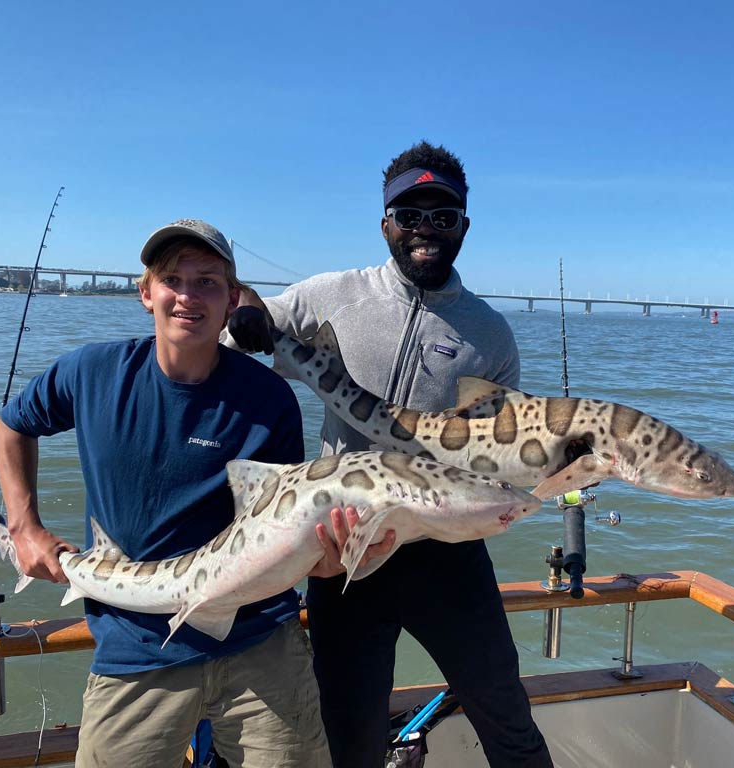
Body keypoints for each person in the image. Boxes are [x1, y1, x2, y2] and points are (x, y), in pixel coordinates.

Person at [225, 142, 555, 767]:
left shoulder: (491, 334)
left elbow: (498, 447)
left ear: (464, 225)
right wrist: (243, 326)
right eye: (409, 215)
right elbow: (230, 323)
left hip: (447, 551)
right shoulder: (329, 295)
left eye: (442, 215)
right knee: (350, 736)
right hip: (345, 550)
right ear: (385, 224)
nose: (425, 229)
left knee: (507, 716)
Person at [0, 219, 334, 768]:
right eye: (173, 279)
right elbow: (13, 426)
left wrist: (325, 556)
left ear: (231, 301)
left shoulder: (269, 397)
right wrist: (23, 525)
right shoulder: (91, 372)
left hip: (259, 640)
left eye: (208, 283)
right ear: (145, 291)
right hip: (136, 642)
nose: (188, 296)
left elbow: (280, 519)